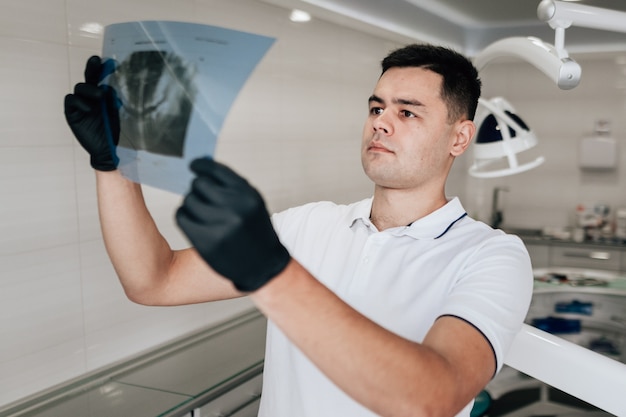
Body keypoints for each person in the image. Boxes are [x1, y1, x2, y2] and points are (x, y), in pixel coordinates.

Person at [64, 44, 533, 417]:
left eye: (407, 112)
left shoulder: (491, 256)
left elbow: (431, 400)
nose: (381, 124)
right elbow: (153, 280)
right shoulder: (306, 225)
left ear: (459, 137)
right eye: (376, 108)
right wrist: (113, 165)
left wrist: (272, 272)